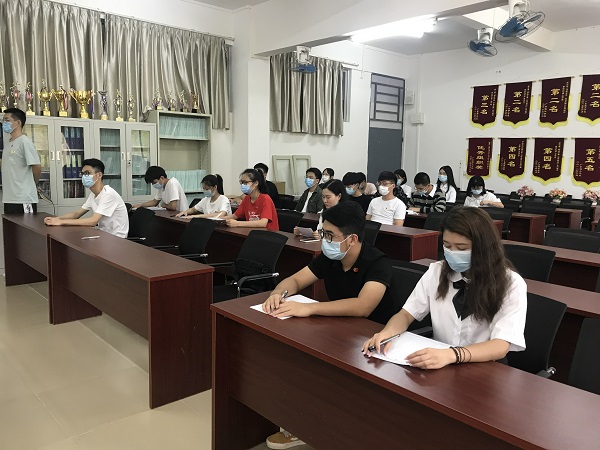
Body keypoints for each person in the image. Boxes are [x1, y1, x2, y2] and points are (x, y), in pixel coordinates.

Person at [263, 201, 398, 449]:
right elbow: (295, 280)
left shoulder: (378, 262)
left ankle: (322, 426)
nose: (324, 240)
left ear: (352, 239)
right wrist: (278, 293)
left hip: (374, 339)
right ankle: (304, 424)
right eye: (323, 233)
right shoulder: (330, 257)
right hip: (340, 329)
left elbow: (363, 307)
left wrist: (310, 308)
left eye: (329, 235)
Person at [363, 206, 526, 370]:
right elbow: (406, 314)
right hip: (440, 363)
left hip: (484, 368)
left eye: (462, 248)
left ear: (483, 248)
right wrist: (388, 333)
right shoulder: (437, 271)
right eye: (447, 246)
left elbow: (500, 345)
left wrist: (452, 354)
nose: (452, 253)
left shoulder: (512, 284)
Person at [43, 158, 129, 238]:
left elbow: (93, 221)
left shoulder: (108, 194)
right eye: (83, 174)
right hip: (105, 235)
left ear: (99, 175)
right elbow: (76, 214)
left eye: (87, 173)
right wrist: (57, 219)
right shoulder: (93, 195)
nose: (84, 176)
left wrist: (61, 222)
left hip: (117, 239)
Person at [1, 108, 42, 213]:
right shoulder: (8, 143)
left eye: (7, 120)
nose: (3, 123)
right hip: (9, 198)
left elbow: (36, 166)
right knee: (10, 224)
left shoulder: (24, 142)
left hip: (24, 199)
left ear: (18, 123)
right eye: (3, 120)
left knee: (25, 224)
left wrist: (34, 183)